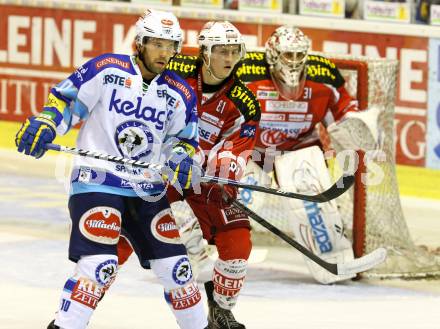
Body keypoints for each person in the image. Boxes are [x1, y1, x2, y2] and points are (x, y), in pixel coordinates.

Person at [15, 9, 209, 329]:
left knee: (179, 271)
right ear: (140, 43)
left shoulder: (179, 92)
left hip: (146, 190)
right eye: (157, 44)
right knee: (99, 264)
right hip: (97, 180)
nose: (165, 53)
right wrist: (47, 122)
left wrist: (182, 159)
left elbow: (184, 140)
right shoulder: (107, 69)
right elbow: (66, 100)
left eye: (171, 46)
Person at [117, 21, 261, 329]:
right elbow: (136, 101)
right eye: (222, 51)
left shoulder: (245, 101)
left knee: (237, 242)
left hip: (202, 180)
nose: (229, 58)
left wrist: (223, 169)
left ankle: (221, 312)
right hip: (158, 173)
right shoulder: (175, 71)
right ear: (206, 52)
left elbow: (237, 149)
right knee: (122, 238)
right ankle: (85, 294)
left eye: (235, 51)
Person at [236, 26, 380, 284]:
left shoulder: (323, 78)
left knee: (310, 194)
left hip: (299, 149)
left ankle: (333, 257)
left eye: (298, 55)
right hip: (254, 151)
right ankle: (200, 246)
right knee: (239, 195)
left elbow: (346, 109)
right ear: (272, 55)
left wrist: (358, 123)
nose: (292, 62)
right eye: (287, 55)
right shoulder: (248, 76)